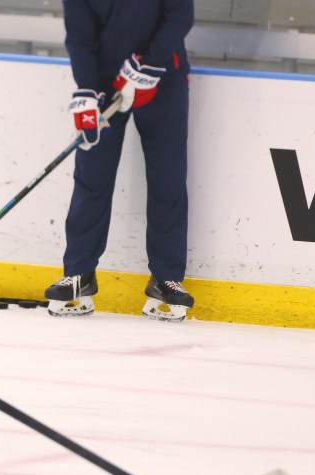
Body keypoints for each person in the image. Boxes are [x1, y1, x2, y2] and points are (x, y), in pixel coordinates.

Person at [45, 0, 196, 322]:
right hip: (104, 86)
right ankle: (79, 275)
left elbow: (180, 15)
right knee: (91, 178)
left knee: (167, 178)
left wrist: (151, 67)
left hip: (163, 80)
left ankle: (166, 278)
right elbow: (80, 36)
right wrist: (86, 90)